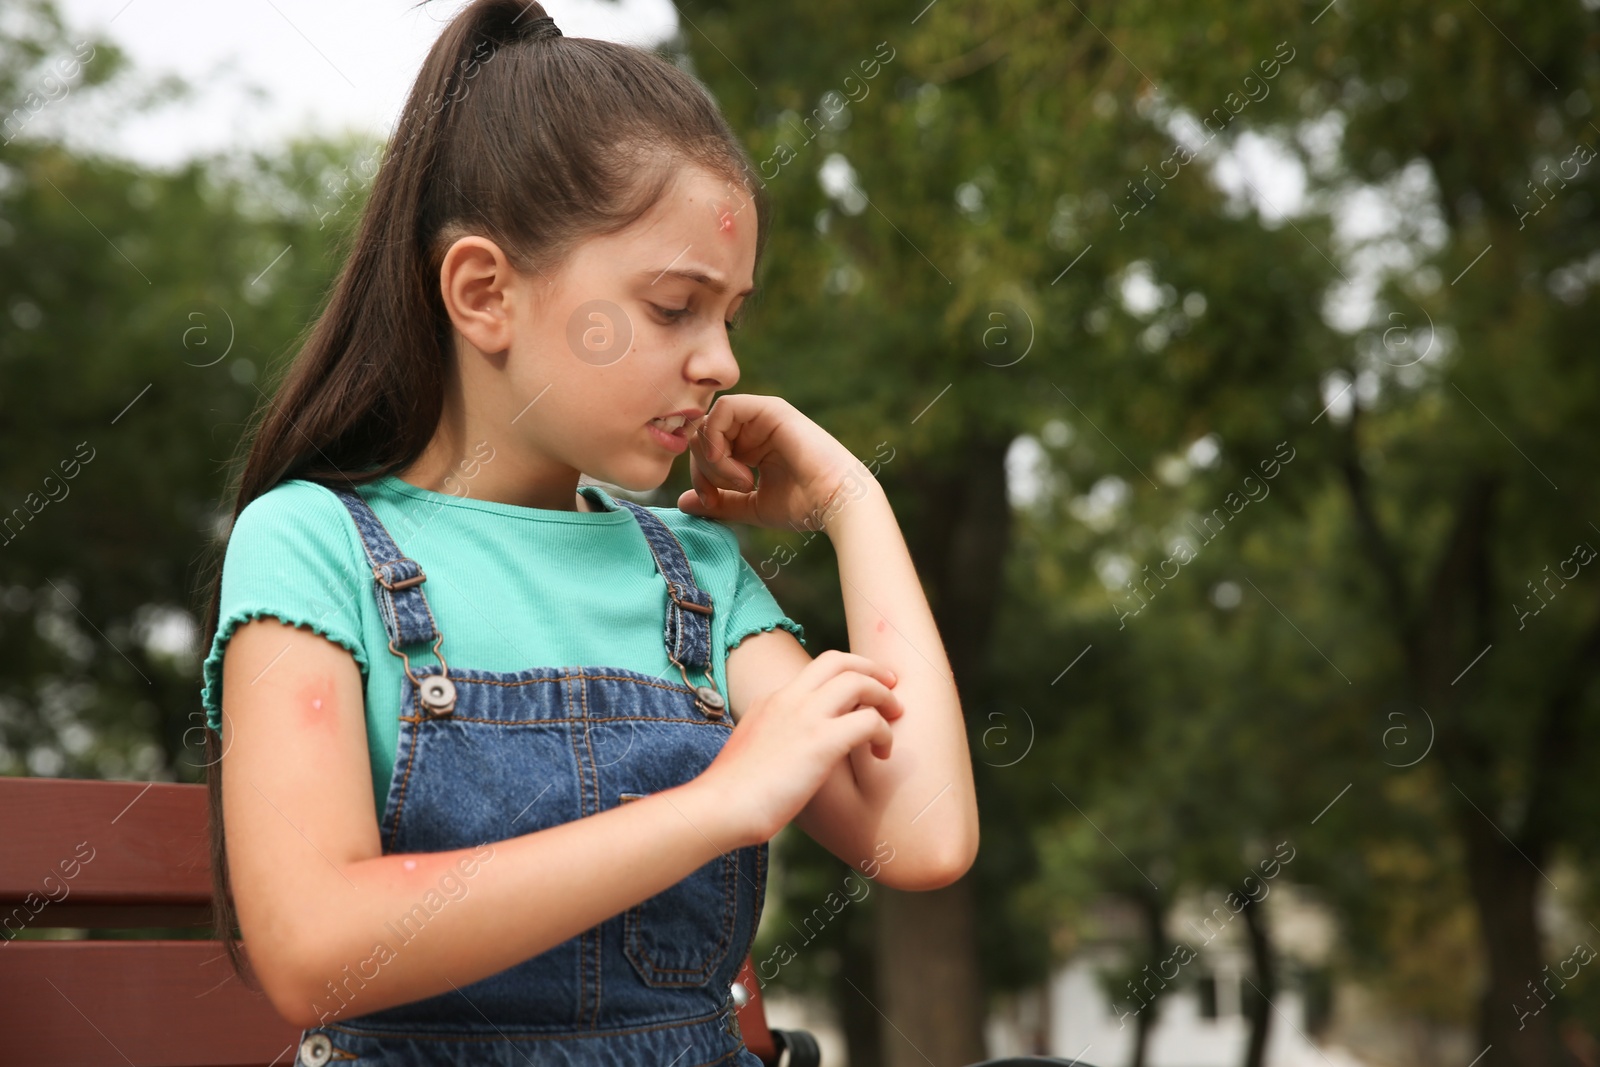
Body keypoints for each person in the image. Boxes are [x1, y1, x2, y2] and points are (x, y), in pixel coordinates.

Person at [196, 2, 979, 1063]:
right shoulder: (313, 543)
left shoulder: (690, 573)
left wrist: (852, 502)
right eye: (673, 307)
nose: (721, 363)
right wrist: (714, 807)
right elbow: (314, 946)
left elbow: (922, 830)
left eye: (730, 317)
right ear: (484, 293)